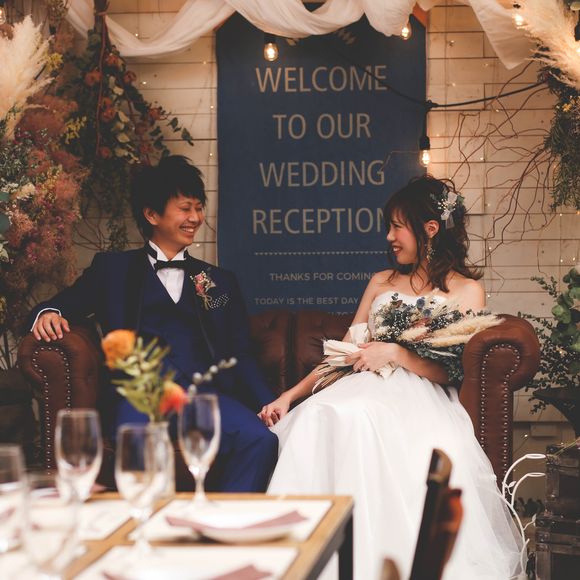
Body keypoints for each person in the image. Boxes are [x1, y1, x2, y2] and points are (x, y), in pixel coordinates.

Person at [259, 176, 524, 579]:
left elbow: (451, 369)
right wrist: (289, 397)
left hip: (418, 393)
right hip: (359, 381)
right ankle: (311, 559)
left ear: (430, 229)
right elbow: (343, 353)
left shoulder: (468, 290)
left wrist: (397, 353)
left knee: (363, 418)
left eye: (397, 226)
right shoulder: (381, 282)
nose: (389, 237)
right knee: (319, 414)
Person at [30, 155, 277, 492]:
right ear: (152, 214)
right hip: (138, 399)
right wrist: (49, 313)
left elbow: (241, 351)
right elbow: (63, 303)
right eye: (185, 208)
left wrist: (270, 403)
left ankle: (222, 516)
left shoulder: (219, 281)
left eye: (199, 208)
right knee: (137, 449)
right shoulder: (112, 270)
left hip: (204, 399)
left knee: (261, 440)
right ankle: (143, 520)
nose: (196, 218)